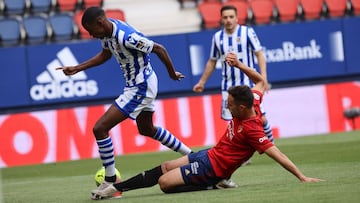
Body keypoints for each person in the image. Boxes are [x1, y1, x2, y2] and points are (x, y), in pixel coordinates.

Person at [91, 53, 324, 200]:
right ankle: (116, 188)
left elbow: (278, 154)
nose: (227, 107)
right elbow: (261, 82)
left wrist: (302, 177)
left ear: (242, 108)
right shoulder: (254, 100)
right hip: (209, 154)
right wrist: (240, 65)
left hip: (214, 169)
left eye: (230, 105)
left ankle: (212, 186)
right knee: (165, 166)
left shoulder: (252, 128)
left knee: (164, 184)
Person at [56, 6, 193, 198]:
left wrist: (171, 74)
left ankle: (110, 181)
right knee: (146, 129)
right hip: (140, 83)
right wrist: (78, 68)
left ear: (100, 23)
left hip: (140, 86)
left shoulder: (126, 37)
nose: (91, 35)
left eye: (90, 30)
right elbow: (105, 54)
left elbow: (159, 49)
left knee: (100, 128)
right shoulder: (106, 33)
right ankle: (192, 155)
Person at [193, 5, 274, 144]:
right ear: (221, 19)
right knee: (235, 123)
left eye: (231, 17)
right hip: (228, 88)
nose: (228, 20)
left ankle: (271, 143)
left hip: (248, 85)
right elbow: (212, 61)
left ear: (237, 18)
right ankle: (243, 155)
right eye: (225, 17)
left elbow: (259, 54)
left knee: (262, 118)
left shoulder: (247, 32)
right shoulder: (218, 37)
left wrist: (264, 78)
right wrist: (202, 82)